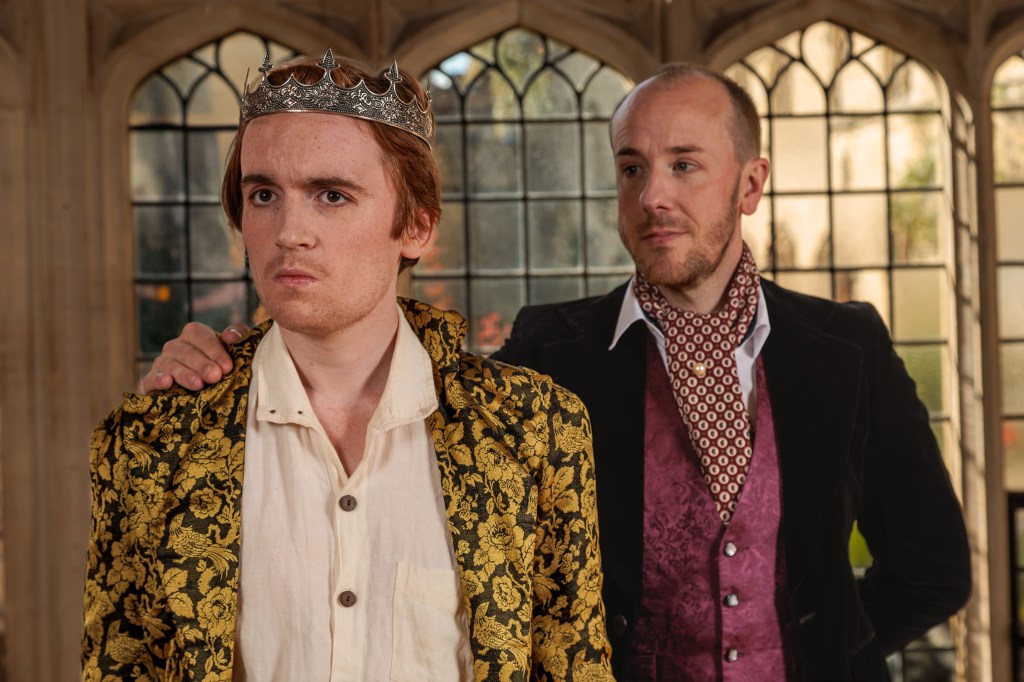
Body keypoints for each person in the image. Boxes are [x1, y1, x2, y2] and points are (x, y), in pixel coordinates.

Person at [141, 63, 972, 680]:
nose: (653, 196)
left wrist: (825, 646)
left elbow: (933, 569)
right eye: (632, 167)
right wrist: (232, 370)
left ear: (750, 184)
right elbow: (387, 404)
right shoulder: (552, 349)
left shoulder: (846, 346)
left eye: (684, 165)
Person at [84, 51, 612, 681]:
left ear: (416, 226)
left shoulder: (536, 429)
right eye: (263, 195)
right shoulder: (151, 440)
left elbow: (573, 666)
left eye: (331, 195)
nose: (289, 232)